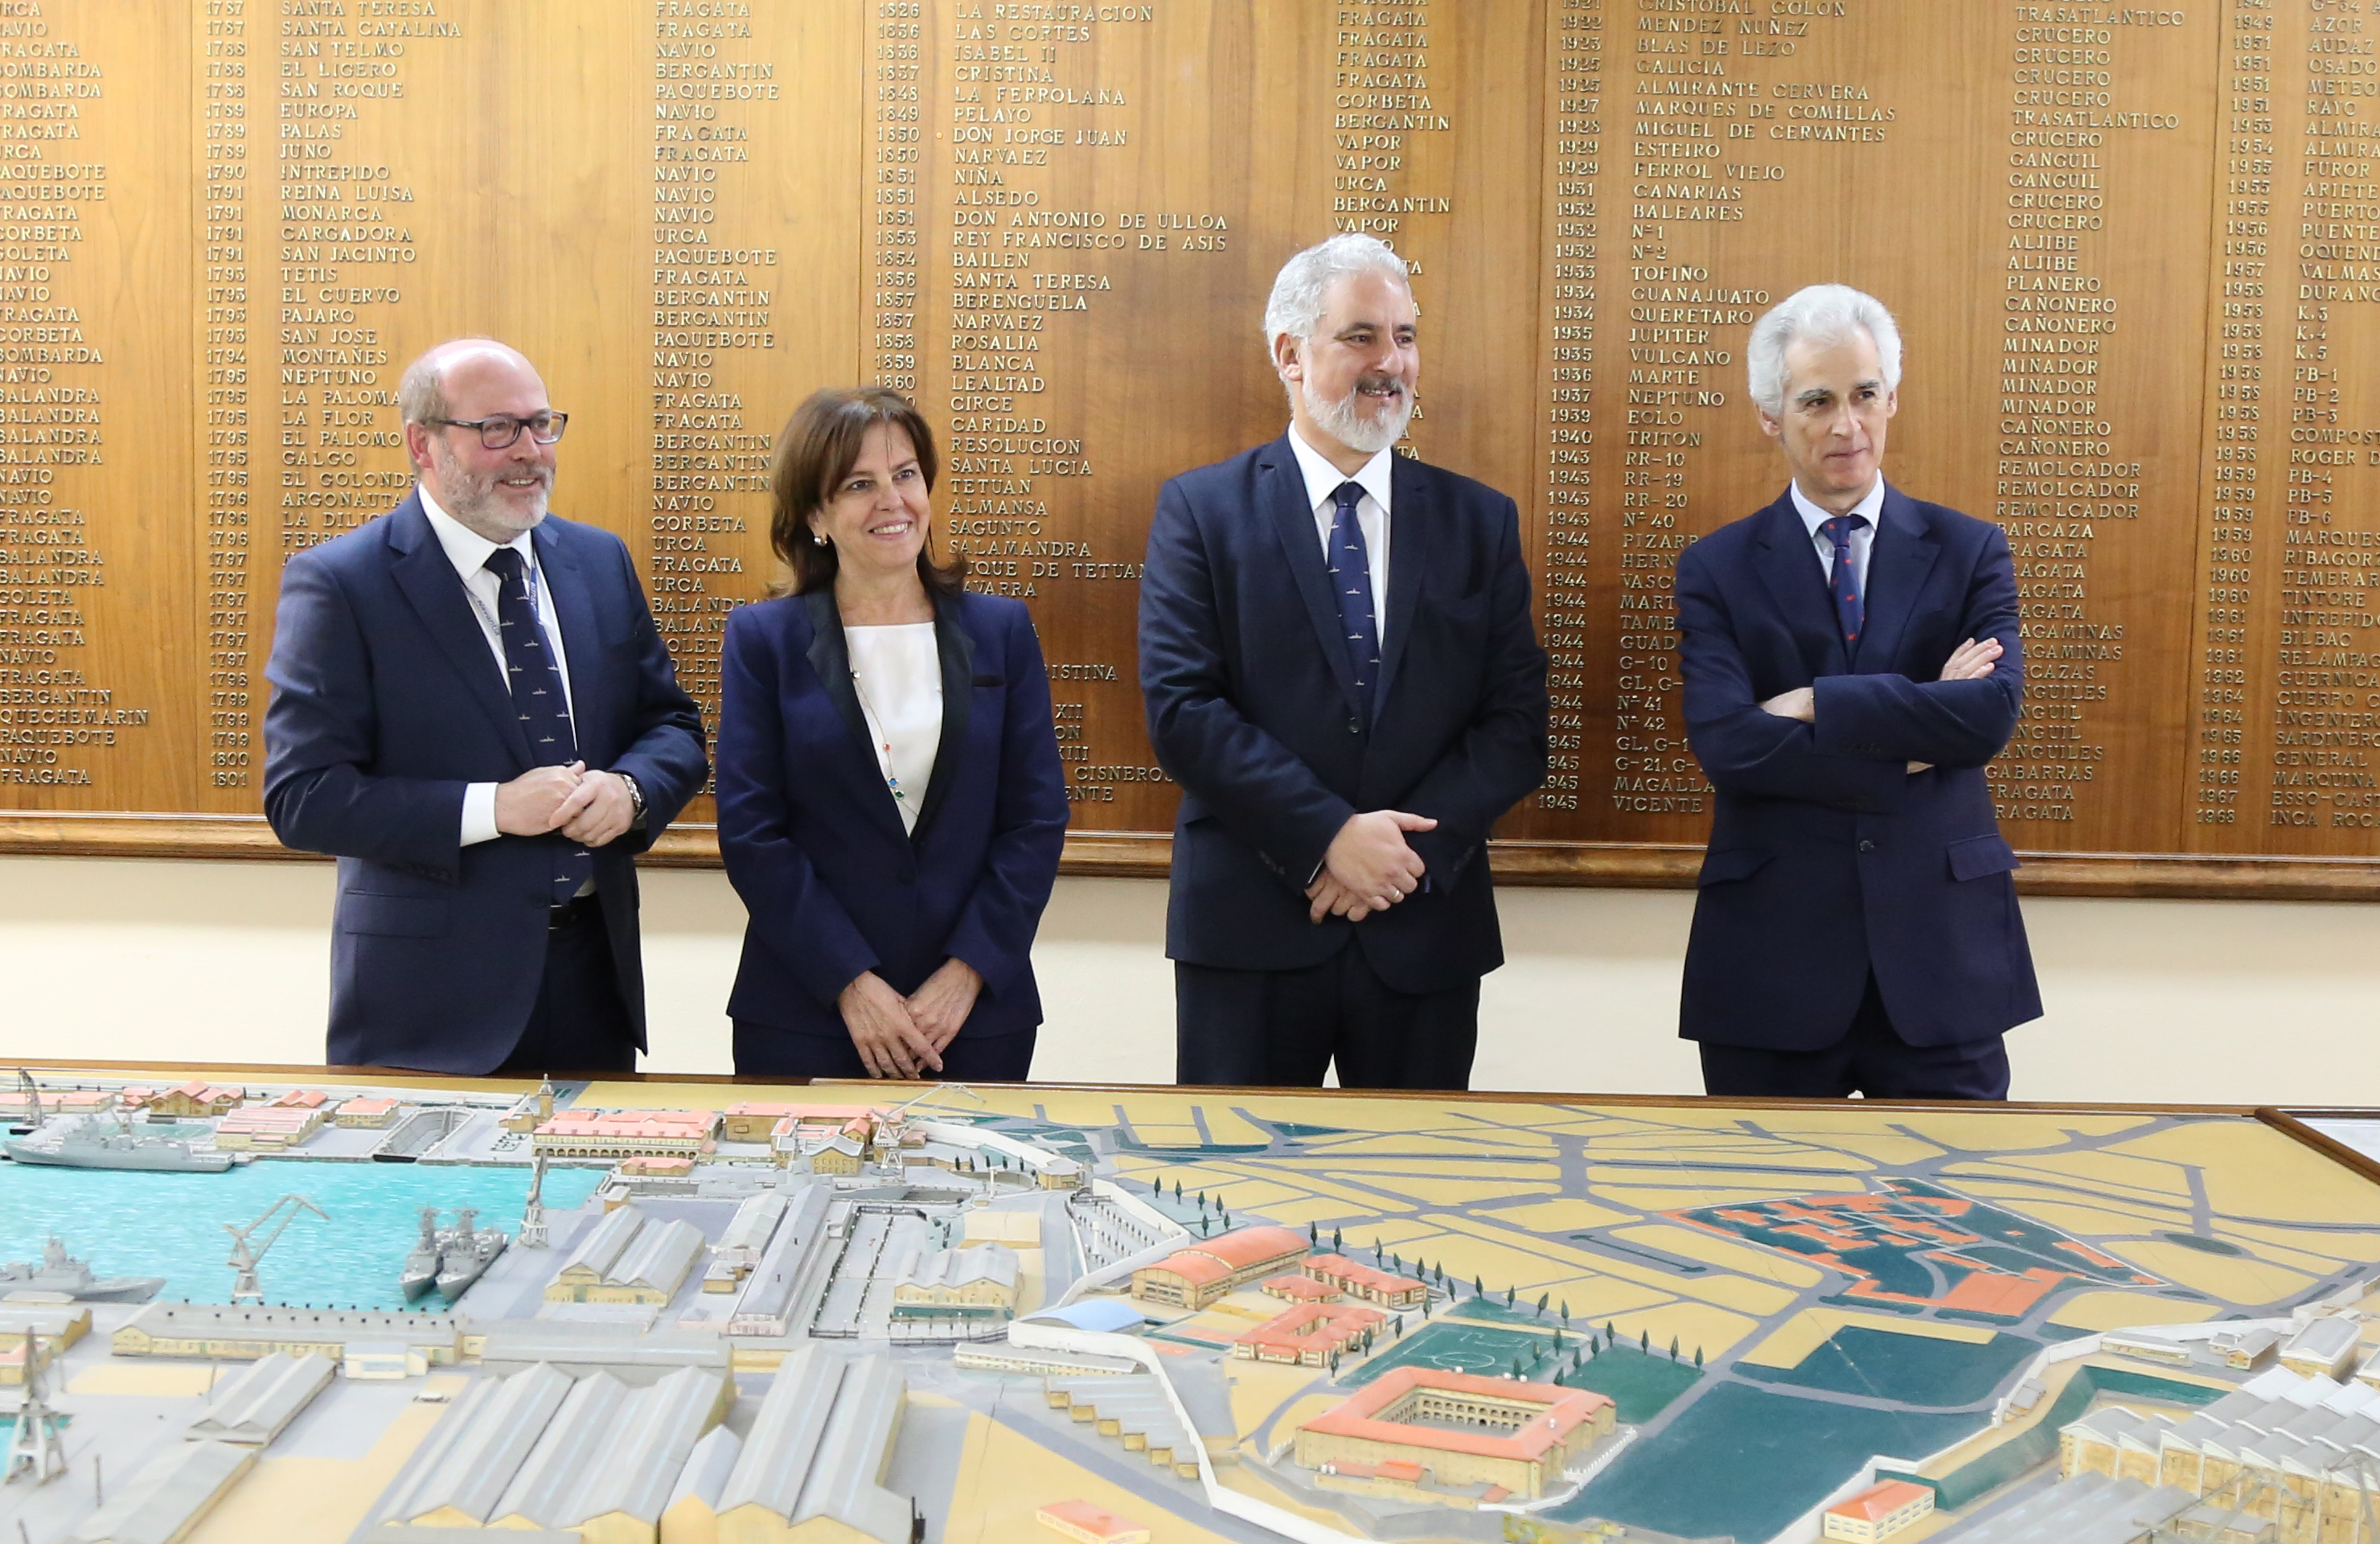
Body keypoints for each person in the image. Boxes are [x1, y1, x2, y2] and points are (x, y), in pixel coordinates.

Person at [1139, 233, 1549, 1090]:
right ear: (1289, 353)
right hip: (1249, 930)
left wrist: (1397, 861)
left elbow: (1514, 726)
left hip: (1422, 929)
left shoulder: (1480, 524)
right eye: (1361, 336)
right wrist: (1326, 838)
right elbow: (1184, 710)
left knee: (1415, 1213)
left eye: (1404, 336)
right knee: (1239, 1204)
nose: (1390, 362)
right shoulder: (1201, 512)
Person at [263, 339, 708, 1074]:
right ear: (423, 444)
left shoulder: (598, 562)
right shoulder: (342, 584)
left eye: (542, 424)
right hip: (430, 1007)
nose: (529, 451)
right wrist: (493, 808)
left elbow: (671, 727)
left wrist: (630, 792)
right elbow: (302, 797)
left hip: (592, 983)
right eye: (497, 429)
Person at [1675, 283, 2040, 1100]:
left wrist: (1812, 702)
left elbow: (1985, 718)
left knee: (1952, 1216)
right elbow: (1728, 744)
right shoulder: (1716, 569)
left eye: (1864, 395)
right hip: (1772, 967)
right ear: (1769, 415)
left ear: (1890, 398)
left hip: (1940, 964)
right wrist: (1913, 736)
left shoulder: (1969, 549)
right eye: (1817, 401)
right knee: (1752, 1222)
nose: (1847, 425)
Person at [716, 388, 1068, 1081]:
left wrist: (965, 974)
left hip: (972, 1017)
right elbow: (754, 832)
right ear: (816, 513)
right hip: (806, 1011)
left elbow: (1035, 820)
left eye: (905, 475)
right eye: (858, 485)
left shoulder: (1000, 631)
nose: (892, 501)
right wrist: (851, 982)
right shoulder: (763, 640)